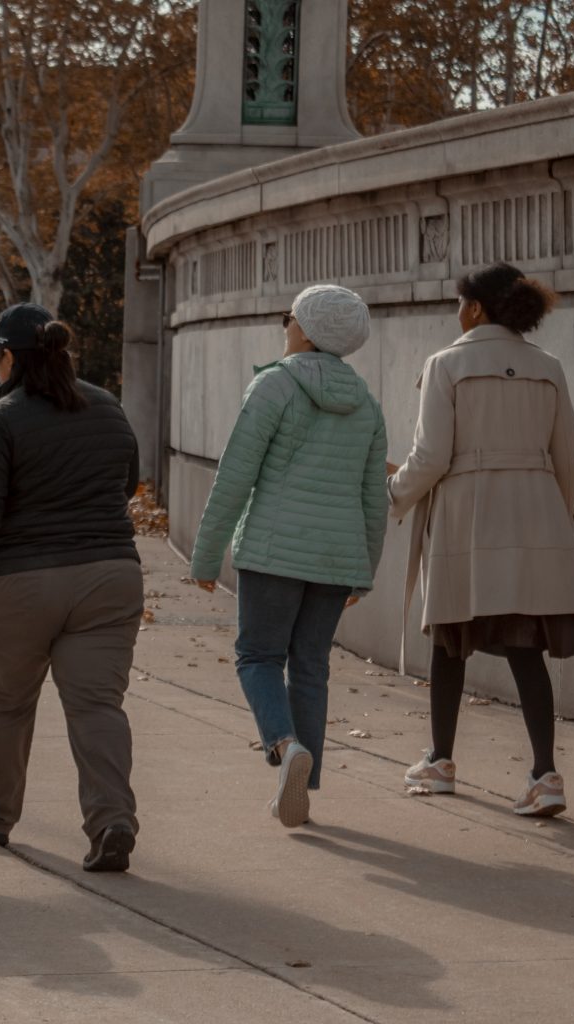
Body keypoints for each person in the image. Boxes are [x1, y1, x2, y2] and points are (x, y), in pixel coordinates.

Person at [0, 303, 143, 873]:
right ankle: (112, 821)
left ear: (10, 358)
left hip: (22, 580)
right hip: (110, 575)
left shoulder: (1, 419)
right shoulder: (106, 405)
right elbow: (127, 480)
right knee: (98, 705)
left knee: (3, 705)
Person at [390, 262, 574, 817]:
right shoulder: (547, 366)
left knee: (449, 642)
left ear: (475, 308)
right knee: (526, 649)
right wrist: (559, 520)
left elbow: (430, 457)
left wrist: (393, 495)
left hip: (466, 514)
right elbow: (568, 458)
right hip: (534, 515)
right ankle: (545, 774)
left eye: (460, 303)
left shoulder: (446, 363)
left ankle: (440, 761)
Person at [189, 285, 389, 828]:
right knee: (310, 666)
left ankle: (283, 745)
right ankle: (301, 782)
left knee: (257, 656)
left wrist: (206, 557)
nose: (285, 327)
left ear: (303, 329)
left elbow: (235, 476)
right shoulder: (367, 404)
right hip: (336, 557)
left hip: (274, 552)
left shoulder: (274, 384)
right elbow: (376, 497)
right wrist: (364, 572)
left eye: (289, 318)